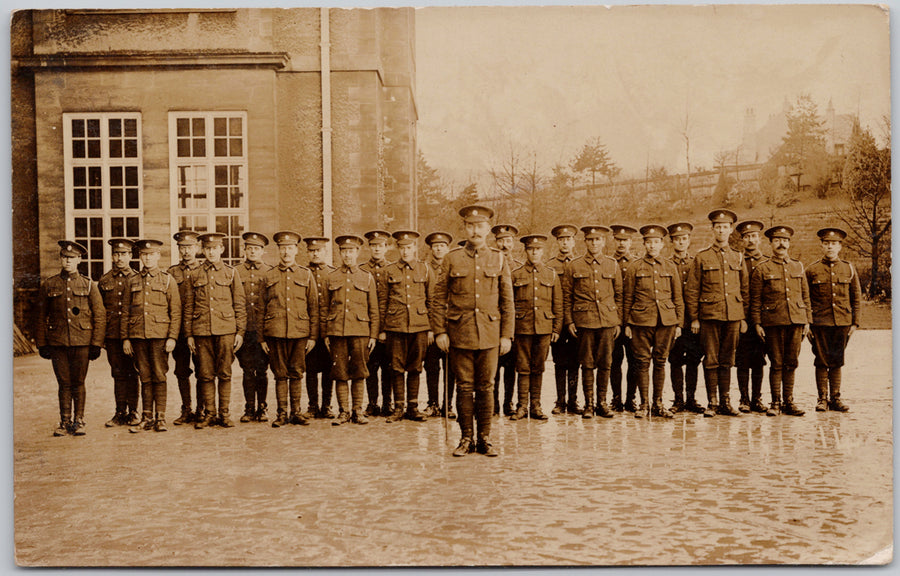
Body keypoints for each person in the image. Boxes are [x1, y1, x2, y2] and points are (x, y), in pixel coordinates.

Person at [433, 205, 514, 457]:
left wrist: (506, 335)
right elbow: (438, 299)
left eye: (480, 226)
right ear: (465, 228)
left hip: (490, 334)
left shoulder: (499, 259)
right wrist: (440, 332)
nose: (475, 230)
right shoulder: (451, 258)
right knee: (464, 387)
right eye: (470, 226)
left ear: (488, 229)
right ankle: (466, 438)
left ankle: (485, 438)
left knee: (487, 386)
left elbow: (507, 301)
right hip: (460, 333)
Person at [35, 240, 106, 436]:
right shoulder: (49, 284)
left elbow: (99, 314)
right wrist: (42, 343)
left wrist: (96, 344)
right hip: (58, 342)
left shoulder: (89, 284)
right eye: (65, 257)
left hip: (82, 341)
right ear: (61, 259)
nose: (68, 261)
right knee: (63, 382)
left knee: (79, 381)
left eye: (72, 258)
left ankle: (79, 420)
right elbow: (40, 316)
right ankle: (64, 420)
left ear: (79, 260)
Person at [684, 209, 749, 417]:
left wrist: (743, 317)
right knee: (711, 359)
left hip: (733, 316)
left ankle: (725, 402)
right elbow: (692, 289)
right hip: (709, 316)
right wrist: (694, 317)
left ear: (731, 230)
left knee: (727, 359)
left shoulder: (738, 257)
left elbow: (745, 288)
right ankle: (712, 402)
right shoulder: (702, 257)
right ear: (713, 230)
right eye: (718, 227)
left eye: (725, 227)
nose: (721, 230)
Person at [183, 232, 247, 429]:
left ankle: (224, 414)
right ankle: (209, 413)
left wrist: (240, 332)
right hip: (201, 331)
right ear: (203, 250)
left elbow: (240, 304)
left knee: (225, 373)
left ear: (222, 249)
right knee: (205, 374)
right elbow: (188, 306)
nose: (211, 252)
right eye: (207, 249)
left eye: (215, 248)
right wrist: (189, 334)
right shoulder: (194, 274)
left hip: (226, 330)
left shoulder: (230, 272)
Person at [562, 226, 623, 420]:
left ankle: (602, 403)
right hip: (584, 322)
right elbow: (567, 297)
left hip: (607, 321)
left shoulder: (612, 265)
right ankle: (589, 403)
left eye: (598, 240)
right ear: (585, 242)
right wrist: (570, 321)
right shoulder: (574, 265)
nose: (594, 243)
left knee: (606, 363)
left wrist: (617, 321)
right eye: (590, 240)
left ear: (604, 242)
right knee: (587, 363)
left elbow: (619, 296)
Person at [751, 226, 812, 416]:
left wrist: (807, 320)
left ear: (789, 243)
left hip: (796, 321)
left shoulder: (798, 266)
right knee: (776, 362)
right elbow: (756, 300)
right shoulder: (762, 268)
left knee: (791, 362)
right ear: (770, 244)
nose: (781, 244)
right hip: (773, 322)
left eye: (784, 240)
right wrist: (757, 324)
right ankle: (775, 402)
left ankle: (789, 401)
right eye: (777, 240)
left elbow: (805, 296)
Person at [623, 225, 683, 419]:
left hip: (665, 322)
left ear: (662, 244)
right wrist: (627, 324)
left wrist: (679, 324)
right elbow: (628, 297)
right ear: (644, 244)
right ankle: (644, 404)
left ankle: (658, 403)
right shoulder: (634, 266)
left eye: (655, 242)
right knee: (641, 363)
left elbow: (678, 297)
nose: (652, 246)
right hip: (640, 321)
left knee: (660, 361)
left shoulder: (670, 266)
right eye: (648, 242)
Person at [260, 231, 319, 427]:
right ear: (278, 250)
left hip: (299, 331)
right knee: (279, 373)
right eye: (283, 248)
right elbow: (261, 307)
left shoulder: (305, 274)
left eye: (290, 248)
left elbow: (313, 307)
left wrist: (312, 336)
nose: (286, 252)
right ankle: (282, 413)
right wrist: (261, 338)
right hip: (275, 331)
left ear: (296, 250)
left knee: (297, 372)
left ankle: (296, 412)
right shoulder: (269, 275)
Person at [122, 239, 181, 432]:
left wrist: (172, 337)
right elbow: (126, 312)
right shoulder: (133, 281)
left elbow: (176, 311)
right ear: (140, 257)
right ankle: (146, 417)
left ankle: (161, 418)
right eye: (144, 254)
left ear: (158, 256)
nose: (147, 258)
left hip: (159, 336)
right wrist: (126, 338)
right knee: (144, 377)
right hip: (138, 336)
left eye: (151, 254)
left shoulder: (167, 280)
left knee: (159, 375)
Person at [377, 230, 434, 423]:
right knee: (396, 367)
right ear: (398, 249)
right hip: (396, 326)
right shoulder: (388, 271)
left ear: (415, 248)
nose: (405, 251)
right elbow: (382, 301)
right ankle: (399, 407)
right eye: (402, 248)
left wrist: (432, 329)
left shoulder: (425, 269)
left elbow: (431, 301)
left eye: (409, 248)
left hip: (419, 326)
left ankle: (413, 407)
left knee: (416, 367)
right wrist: (382, 330)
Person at [324, 234, 380, 425]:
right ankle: (344, 411)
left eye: (351, 251)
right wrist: (326, 333)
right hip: (337, 331)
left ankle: (358, 410)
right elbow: (324, 307)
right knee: (339, 372)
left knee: (359, 371)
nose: (347, 255)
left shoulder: (366, 277)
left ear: (358, 252)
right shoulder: (331, 276)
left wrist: (373, 334)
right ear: (340, 253)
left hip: (360, 331)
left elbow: (374, 308)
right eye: (344, 251)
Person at [805, 227, 861, 412]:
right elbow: (805, 299)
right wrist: (808, 324)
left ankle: (835, 398)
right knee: (821, 360)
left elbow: (856, 298)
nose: (830, 247)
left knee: (837, 360)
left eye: (834, 243)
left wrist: (855, 323)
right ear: (821, 245)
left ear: (840, 246)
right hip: (820, 323)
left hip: (842, 322)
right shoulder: (812, 269)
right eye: (827, 243)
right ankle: (822, 399)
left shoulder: (849, 268)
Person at [509, 234, 562, 421]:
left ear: (543, 251)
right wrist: (509, 331)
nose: (534, 252)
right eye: (531, 249)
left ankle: (536, 405)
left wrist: (556, 329)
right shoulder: (515, 274)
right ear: (525, 251)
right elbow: (509, 304)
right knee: (522, 367)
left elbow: (558, 304)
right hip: (522, 327)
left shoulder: (551, 274)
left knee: (538, 367)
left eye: (538, 249)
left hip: (544, 327)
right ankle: (522, 406)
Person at [98, 238, 140, 427]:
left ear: (130, 255)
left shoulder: (137, 278)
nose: (119, 258)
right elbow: (99, 312)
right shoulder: (105, 280)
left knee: (132, 372)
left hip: (133, 336)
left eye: (123, 254)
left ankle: (133, 412)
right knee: (118, 374)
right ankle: (119, 412)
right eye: (116, 254)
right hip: (113, 336)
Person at [666, 222, 705, 414]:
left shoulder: (696, 262)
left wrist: (696, 317)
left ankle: (691, 398)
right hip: (673, 321)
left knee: (693, 359)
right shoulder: (666, 263)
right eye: (676, 239)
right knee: (674, 359)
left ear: (689, 241)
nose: (680, 242)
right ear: (671, 241)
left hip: (693, 321)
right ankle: (678, 399)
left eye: (684, 239)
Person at [235, 232, 273, 422]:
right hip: (244, 330)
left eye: (256, 249)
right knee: (247, 369)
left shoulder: (270, 272)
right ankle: (249, 407)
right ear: (244, 250)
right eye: (249, 248)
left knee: (262, 370)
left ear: (262, 251)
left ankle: (263, 407)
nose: (252, 251)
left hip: (262, 332)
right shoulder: (236, 271)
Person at [168, 230, 203, 425]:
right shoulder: (172, 273)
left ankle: (201, 409)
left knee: (202, 370)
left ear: (197, 248)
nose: (186, 251)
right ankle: (186, 409)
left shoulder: (203, 270)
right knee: (181, 370)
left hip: (199, 330)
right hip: (179, 331)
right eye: (182, 248)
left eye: (190, 247)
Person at [734, 220, 768, 413]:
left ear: (759, 239)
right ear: (742, 240)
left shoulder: (767, 261)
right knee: (742, 359)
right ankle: (744, 398)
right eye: (746, 237)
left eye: (754, 236)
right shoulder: (737, 261)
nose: (750, 240)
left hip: (763, 320)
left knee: (759, 359)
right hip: (743, 318)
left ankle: (757, 398)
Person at [547, 224, 581, 415]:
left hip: (578, 320)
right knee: (560, 362)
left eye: (568, 239)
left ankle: (574, 400)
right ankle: (560, 400)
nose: (565, 243)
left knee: (575, 361)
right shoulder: (550, 265)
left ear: (573, 241)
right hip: (558, 321)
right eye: (561, 240)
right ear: (557, 242)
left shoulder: (580, 263)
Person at [360, 229, 394, 417]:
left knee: (388, 367)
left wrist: (386, 329)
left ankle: (388, 403)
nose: (376, 249)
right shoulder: (362, 269)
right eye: (373, 246)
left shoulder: (393, 268)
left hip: (389, 329)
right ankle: (372, 402)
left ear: (386, 247)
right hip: (368, 328)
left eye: (380, 246)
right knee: (370, 367)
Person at [491, 223, 522, 416]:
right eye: (501, 240)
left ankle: (508, 402)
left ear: (513, 244)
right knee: (492, 368)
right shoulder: (491, 263)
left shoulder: (519, 267)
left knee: (511, 368)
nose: (504, 244)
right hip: (493, 324)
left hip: (514, 325)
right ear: (495, 242)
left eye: (508, 241)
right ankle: (493, 403)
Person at [304, 237, 336, 418]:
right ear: (307, 253)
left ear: (325, 252)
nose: (315, 254)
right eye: (312, 251)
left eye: (318, 250)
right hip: (308, 330)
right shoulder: (302, 273)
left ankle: (327, 405)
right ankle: (312, 405)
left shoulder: (332, 274)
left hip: (328, 330)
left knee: (328, 369)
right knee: (310, 369)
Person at [423, 231, 454, 418]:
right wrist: (429, 328)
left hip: (451, 326)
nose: (439, 248)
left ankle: (447, 405)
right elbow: (425, 301)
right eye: (435, 246)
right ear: (431, 249)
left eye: (442, 245)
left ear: (448, 248)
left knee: (451, 368)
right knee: (432, 366)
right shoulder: (425, 269)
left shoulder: (454, 267)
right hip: (432, 328)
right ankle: (432, 403)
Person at [609, 224, 639, 412]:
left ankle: (631, 399)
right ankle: (616, 398)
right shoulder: (608, 262)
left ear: (631, 242)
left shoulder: (637, 263)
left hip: (634, 321)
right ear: (614, 241)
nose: (621, 244)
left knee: (635, 360)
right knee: (614, 361)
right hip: (612, 321)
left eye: (625, 240)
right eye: (618, 240)